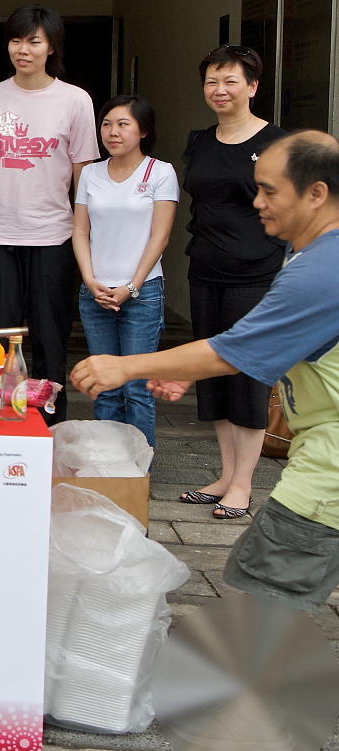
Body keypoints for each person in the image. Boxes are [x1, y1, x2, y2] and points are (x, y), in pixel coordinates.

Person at [72, 131, 339, 607]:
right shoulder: (313, 255)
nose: (257, 203)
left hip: (328, 466)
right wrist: (190, 370)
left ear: (316, 194)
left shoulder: (321, 268)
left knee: (262, 596)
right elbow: (256, 346)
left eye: (269, 190)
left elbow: (232, 350)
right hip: (320, 448)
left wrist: (125, 367)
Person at [0, 4, 99, 422]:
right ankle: (2, 422)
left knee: (50, 337)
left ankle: (49, 427)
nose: (23, 50)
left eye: (33, 41)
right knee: (0, 336)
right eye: (16, 40)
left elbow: (83, 178)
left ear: (51, 47)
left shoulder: (75, 100)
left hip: (54, 236)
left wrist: (85, 237)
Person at [177, 46, 289, 518]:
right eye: (211, 81)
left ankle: (243, 484)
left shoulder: (278, 143)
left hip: (256, 274)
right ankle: (225, 474)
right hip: (205, 269)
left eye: (230, 81)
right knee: (213, 374)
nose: (219, 90)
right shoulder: (200, 141)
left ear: (253, 86)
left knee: (247, 375)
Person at [71, 95, 176, 446]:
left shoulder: (160, 172)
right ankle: (109, 465)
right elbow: (80, 231)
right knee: (104, 386)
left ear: (143, 131)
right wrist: (89, 280)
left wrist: (132, 286)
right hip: (96, 293)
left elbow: (160, 237)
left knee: (137, 387)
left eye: (122, 124)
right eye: (106, 124)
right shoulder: (90, 173)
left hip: (142, 293)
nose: (112, 132)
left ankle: (139, 466)